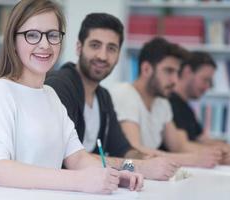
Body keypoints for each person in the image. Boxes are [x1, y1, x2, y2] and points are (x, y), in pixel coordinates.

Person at [0, 0, 143, 194]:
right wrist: (79, 180)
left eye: (53, 35)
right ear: (13, 42)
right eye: (32, 35)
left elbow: (78, 158)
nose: (45, 44)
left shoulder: (51, 96)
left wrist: (114, 175)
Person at [45, 13, 179, 181]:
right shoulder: (59, 87)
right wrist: (139, 167)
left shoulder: (103, 97)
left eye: (111, 48)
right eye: (95, 45)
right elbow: (67, 158)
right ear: (79, 47)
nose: (102, 56)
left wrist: (145, 159)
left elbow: (124, 150)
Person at [110, 37, 225, 168]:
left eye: (177, 72)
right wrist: (192, 159)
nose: (175, 80)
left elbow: (178, 145)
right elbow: (133, 150)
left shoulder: (162, 102)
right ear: (146, 69)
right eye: (169, 71)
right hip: (122, 175)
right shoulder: (125, 93)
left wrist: (213, 154)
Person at [169, 51, 230, 164]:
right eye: (205, 79)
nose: (207, 87)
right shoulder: (171, 103)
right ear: (187, 72)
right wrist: (229, 155)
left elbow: (204, 140)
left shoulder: (186, 108)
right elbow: (181, 146)